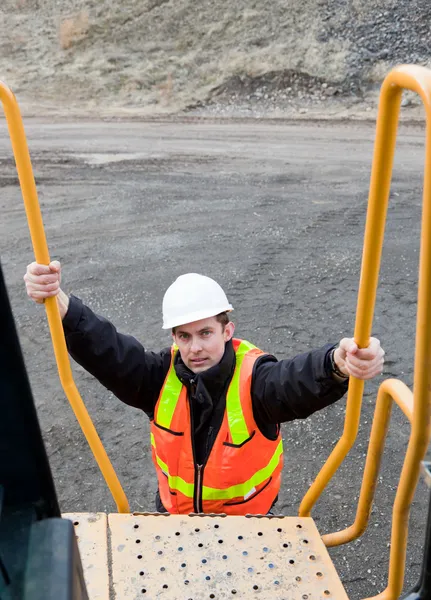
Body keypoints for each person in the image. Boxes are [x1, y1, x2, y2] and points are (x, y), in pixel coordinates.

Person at [24, 261, 384, 515]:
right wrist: (59, 302)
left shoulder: (255, 379)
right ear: (174, 337)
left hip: (248, 527)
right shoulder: (158, 377)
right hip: (174, 518)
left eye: (205, 333)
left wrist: (338, 362)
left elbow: (293, 381)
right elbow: (108, 349)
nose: (195, 347)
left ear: (227, 331)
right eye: (184, 336)